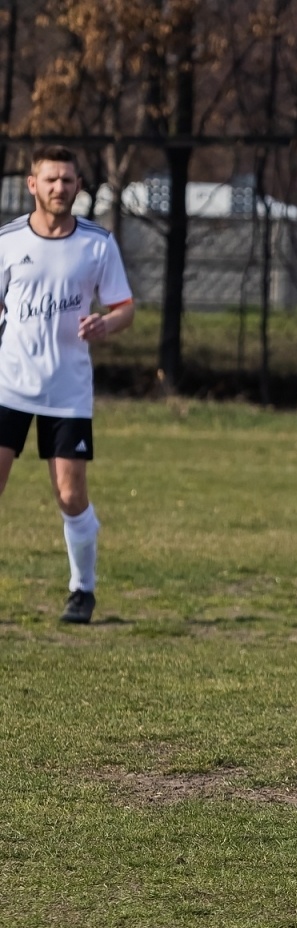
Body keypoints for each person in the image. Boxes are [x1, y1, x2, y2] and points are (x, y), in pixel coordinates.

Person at [0, 145, 134, 625]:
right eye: (51, 180)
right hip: (9, 385)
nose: (60, 188)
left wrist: (107, 324)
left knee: (70, 494)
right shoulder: (8, 240)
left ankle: (83, 589)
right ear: (32, 184)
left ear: (79, 186)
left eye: (68, 180)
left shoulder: (98, 243)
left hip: (68, 390)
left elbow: (125, 308)